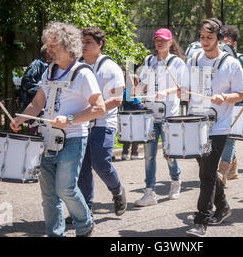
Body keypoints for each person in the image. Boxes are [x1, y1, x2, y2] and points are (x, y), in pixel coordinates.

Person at [10, 21, 105, 237]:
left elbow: (99, 108)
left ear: (68, 45)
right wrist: (20, 118)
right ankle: (55, 234)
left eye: (54, 46)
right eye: (48, 45)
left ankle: (84, 223)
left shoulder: (83, 73)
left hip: (73, 138)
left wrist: (70, 118)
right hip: (49, 138)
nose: (48, 50)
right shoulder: (49, 72)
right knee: (49, 193)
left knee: (65, 188)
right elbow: (37, 104)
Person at [186, 18, 243, 237]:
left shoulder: (231, 63)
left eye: (209, 37)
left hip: (219, 126)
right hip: (196, 123)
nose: (204, 41)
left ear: (219, 38)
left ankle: (202, 220)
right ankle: (223, 207)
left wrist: (225, 97)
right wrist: (180, 91)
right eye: (202, 37)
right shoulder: (193, 60)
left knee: (207, 175)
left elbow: (240, 94)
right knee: (207, 171)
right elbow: (185, 87)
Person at [134, 28, 188, 206]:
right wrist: (135, 85)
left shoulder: (177, 63)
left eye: (163, 40)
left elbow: (183, 87)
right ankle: (149, 192)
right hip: (150, 114)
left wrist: (167, 91)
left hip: (168, 115)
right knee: (149, 156)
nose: (159, 42)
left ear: (170, 42)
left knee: (169, 153)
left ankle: (175, 182)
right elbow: (142, 84)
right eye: (157, 39)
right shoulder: (149, 61)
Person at [77, 26, 127, 217]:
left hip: (103, 123)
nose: (84, 45)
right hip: (81, 124)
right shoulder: (78, 66)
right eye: (82, 41)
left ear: (100, 44)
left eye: (88, 42)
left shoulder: (111, 68)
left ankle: (117, 190)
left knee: (101, 163)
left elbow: (117, 99)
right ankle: (84, 210)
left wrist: (92, 111)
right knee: (82, 167)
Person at [217, 25, 243, 183]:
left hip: (236, 103)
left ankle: (222, 172)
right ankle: (234, 170)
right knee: (226, 137)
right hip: (221, 104)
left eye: (227, 42)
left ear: (234, 44)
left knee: (230, 138)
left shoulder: (241, 59)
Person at [19, 45, 50, 134]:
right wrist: (44, 91)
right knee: (35, 136)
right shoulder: (36, 64)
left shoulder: (51, 66)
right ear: (47, 52)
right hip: (33, 108)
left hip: (44, 110)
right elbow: (26, 83)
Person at [121, 73, 144, 160]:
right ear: (135, 82)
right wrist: (143, 106)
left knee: (127, 134)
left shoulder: (124, 91)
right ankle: (134, 154)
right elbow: (138, 106)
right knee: (136, 135)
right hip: (135, 117)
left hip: (125, 116)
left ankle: (124, 153)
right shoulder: (135, 92)